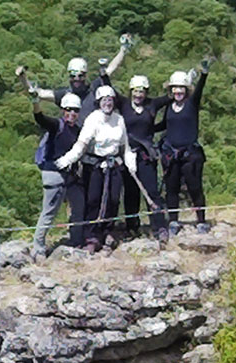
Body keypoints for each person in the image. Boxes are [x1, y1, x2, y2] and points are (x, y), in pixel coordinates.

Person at [56, 85, 137, 252]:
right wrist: (67, 159)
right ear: (99, 102)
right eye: (104, 100)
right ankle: (91, 235)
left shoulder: (119, 120)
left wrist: (130, 162)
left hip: (114, 164)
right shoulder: (93, 119)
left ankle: (107, 231)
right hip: (94, 166)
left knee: (113, 200)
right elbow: (81, 145)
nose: (107, 103)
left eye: (110, 100)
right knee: (93, 200)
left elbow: (124, 146)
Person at [26, 87, 88, 256]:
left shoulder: (77, 130)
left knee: (79, 207)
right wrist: (35, 102)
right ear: (63, 110)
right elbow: (40, 118)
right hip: (53, 174)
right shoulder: (56, 126)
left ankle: (76, 241)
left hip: (70, 175)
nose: (72, 114)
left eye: (75, 110)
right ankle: (38, 248)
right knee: (49, 212)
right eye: (69, 110)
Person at [21, 34, 132, 123]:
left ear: (85, 76)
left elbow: (111, 69)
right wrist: (22, 77)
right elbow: (37, 93)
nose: (77, 79)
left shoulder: (94, 89)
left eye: (80, 75)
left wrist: (123, 50)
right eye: (73, 76)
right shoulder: (64, 95)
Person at [159, 59, 211, 233]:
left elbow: (199, 90)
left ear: (186, 90)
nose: (178, 91)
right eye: (175, 88)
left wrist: (204, 73)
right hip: (172, 155)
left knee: (194, 188)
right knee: (171, 188)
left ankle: (201, 221)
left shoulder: (191, 104)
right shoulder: (169, 107)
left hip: (190, 154)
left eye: (181, 88)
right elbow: (164, 125)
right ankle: (173, 221)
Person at [119, 74, 166, 238]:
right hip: (128, 154)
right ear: (131, 91)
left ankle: (159, 226)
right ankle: (132, 227)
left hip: (146, 155)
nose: (138, 95)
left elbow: (172, 97)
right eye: (136, 91)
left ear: (146, 92)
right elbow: (108, 90)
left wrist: (187, 81)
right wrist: (104, 72)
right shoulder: (124, 104)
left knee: (152, 191)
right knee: (131, 193)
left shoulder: (152, 104)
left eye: (142, 92)